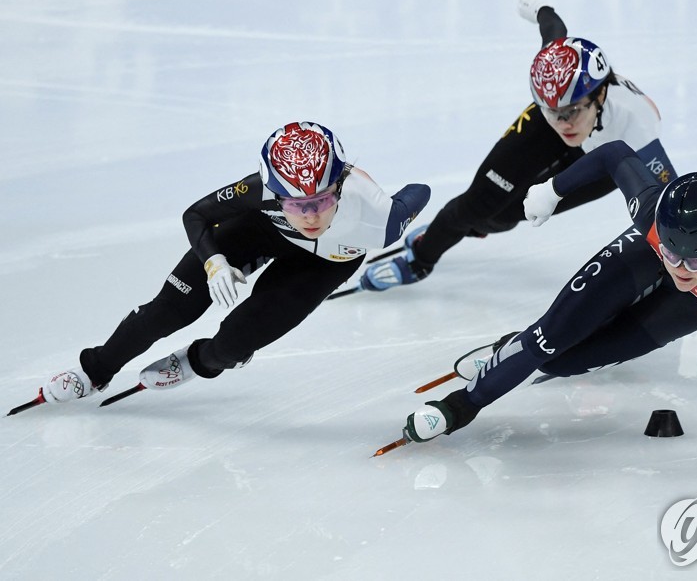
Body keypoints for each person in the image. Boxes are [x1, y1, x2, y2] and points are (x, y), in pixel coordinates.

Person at [395, 141, 697, 475]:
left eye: (696, 259)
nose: (681, 269)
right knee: (550, 338)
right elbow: (615, 153)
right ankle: (461, 404)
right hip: (642, 252)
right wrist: (553, 189)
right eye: (675, 254)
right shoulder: (655, 209)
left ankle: (508, 351)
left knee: (567, 362)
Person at [33, 121, 429, 407]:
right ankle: (95, 369)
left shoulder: (378, 221)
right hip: (259, 230)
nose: (310, 217)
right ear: (274, 191)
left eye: (321, 201)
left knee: (236, 343)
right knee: (166, 312)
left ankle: (198, 361)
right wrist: (214, 262)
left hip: (325, 263)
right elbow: (195, 215)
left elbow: (419, 193)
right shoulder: (257, 191)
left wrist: (394, 205)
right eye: (294, 204)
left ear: (339, 186)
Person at [359, 0, 676, 291]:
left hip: (609, 157)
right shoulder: (557, 83)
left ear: (601, 93)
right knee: (477, 204)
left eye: (570, 112)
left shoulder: (637, 128)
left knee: (509, 214)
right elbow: (554, 31)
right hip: (559, 131)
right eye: (551, 110)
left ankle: (477, 225)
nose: (562, 123)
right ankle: (422, 259)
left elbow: (671, 199)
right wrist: (541, 9)